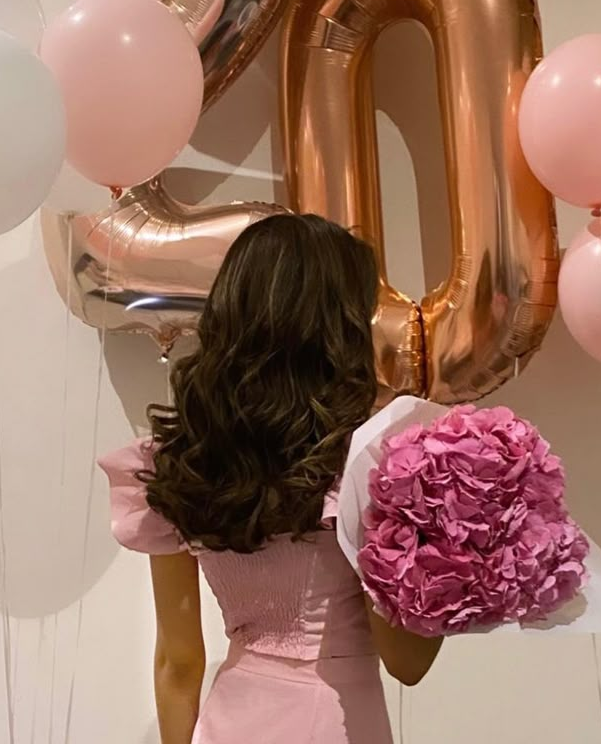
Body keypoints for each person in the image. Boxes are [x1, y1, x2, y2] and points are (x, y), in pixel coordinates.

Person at [99, 214, 442, 744]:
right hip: (334, 721)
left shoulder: (184, 458)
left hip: (231, 718)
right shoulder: (370, 458)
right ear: (336, 324)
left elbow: (178, 662)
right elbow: (407, 662)